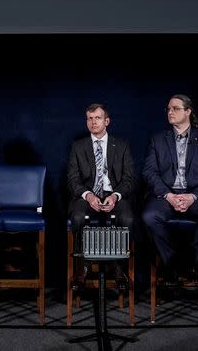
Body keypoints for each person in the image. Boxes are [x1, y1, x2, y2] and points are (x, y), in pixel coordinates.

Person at [141, 94, 198, 282]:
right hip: (166, 195)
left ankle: (192, 263)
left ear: (188, 111)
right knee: (149, 217)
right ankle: (172, 263)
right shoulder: (158, 139)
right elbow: (149, 172)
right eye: (168, 109)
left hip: (197, 195)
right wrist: (168, 195)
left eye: (175, 108)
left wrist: (192, 196)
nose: (170, 112)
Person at [66, 103, 135, 288]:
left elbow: (128, 179)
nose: (93, 122)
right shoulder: (78, 146)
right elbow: (72, 180)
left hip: (114, 195)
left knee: (127, 218)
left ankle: (119, 269)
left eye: (97, 118)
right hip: (86, 196)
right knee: (79, 216)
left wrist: (114, 197)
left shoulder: (121, 146)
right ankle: (83, 269)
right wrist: (88, 196)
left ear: (107, 121)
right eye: (89, 118)